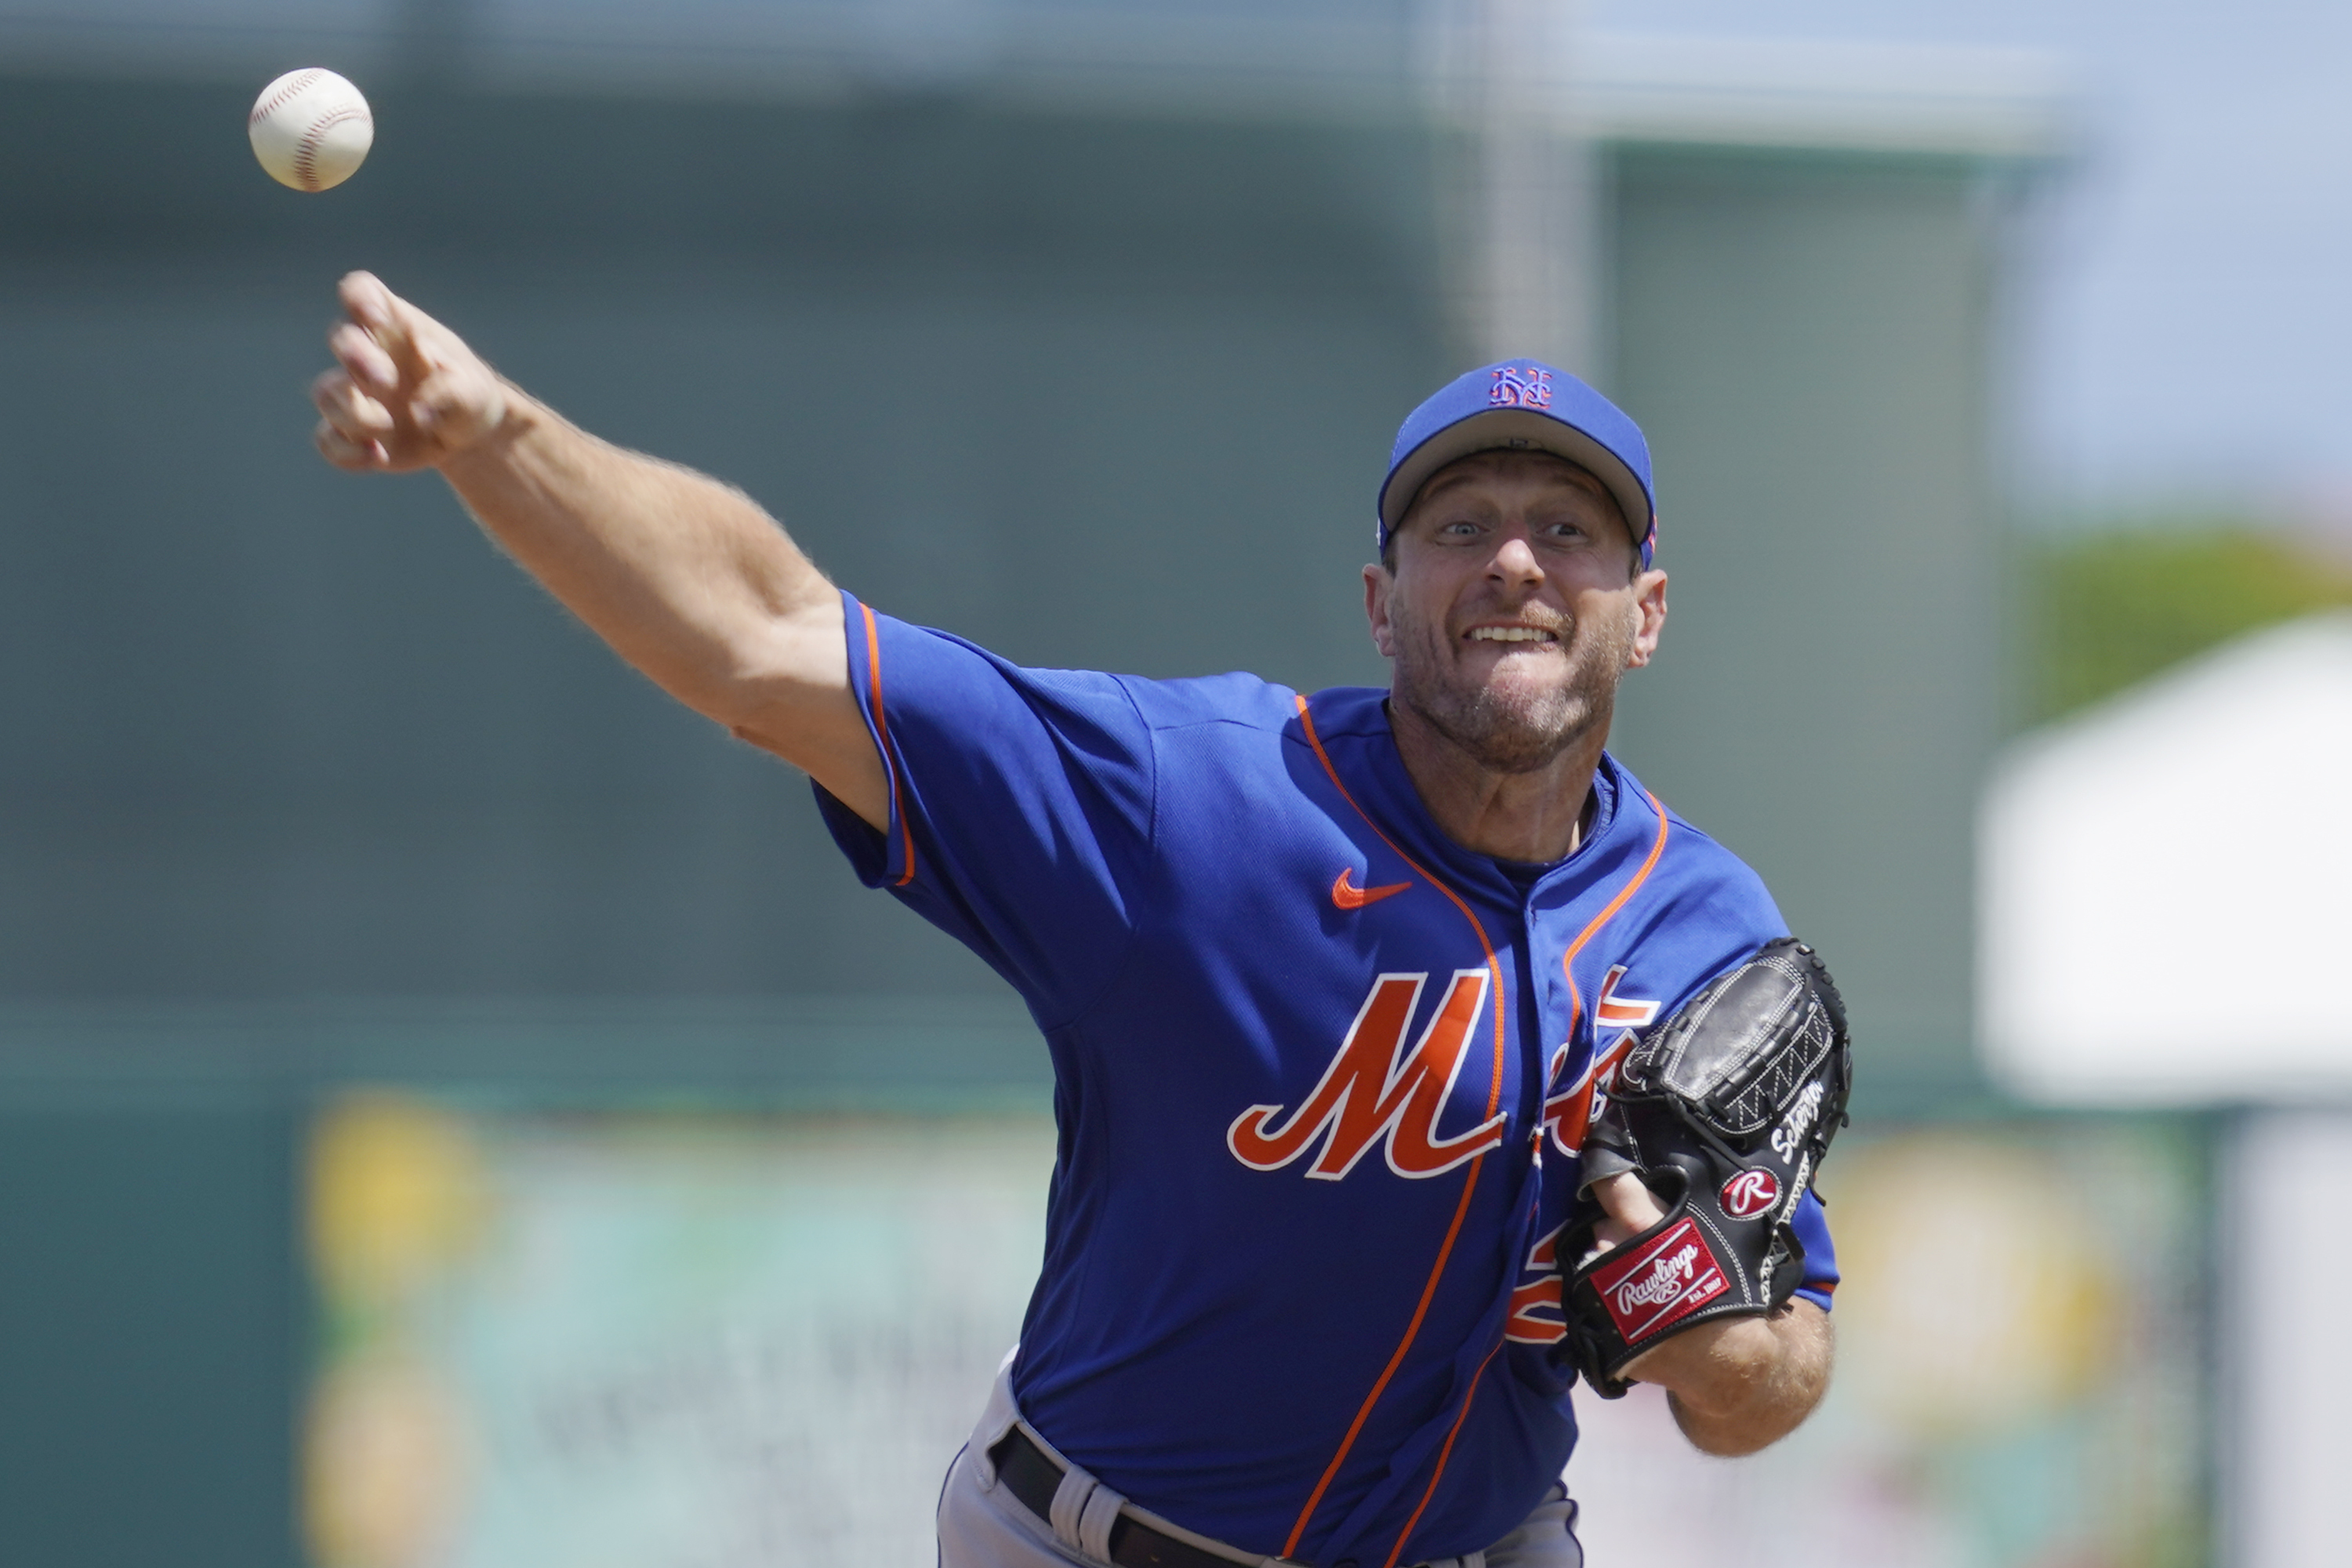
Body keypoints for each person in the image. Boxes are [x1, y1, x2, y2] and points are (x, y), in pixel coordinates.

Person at [310, 271, 1838, 1568]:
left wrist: (1717, 1330)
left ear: (1644, 610)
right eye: (1461, 522)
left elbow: (1774, 1381)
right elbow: (767, 642)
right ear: (1381, 602)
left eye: (1570, 527)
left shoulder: (1706, 930)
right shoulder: (1196, 804)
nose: (1514, 555)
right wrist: (498, 435)